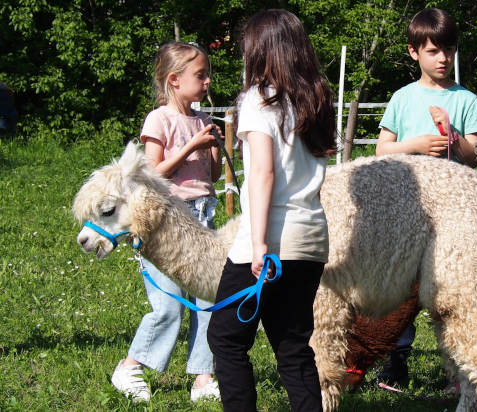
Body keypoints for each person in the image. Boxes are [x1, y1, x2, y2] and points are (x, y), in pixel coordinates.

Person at [207, 9, 336, 412]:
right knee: (293, 344)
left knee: (226, 340)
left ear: (260, 52)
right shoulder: (312, 101)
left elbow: (262, 174)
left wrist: (259, 244)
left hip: (269, 240)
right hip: (312, 237)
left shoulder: (257, 101)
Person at [375, 7, 477, 390]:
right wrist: (416, 144)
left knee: (453, 290)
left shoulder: (466, 100)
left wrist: (455, 138)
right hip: (408, 207)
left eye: (448, 50)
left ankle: (459, 372)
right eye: (433, 51)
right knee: (401, 289)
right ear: (413, 52)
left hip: (455, 213)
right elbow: (381, 150)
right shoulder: (403, 98)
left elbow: (476, 154)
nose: (443, 59)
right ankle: (396, 362)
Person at [111, 41, 223, 402]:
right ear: (174, 80)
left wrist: (214, 149)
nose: (207, 82)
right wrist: (191, 146)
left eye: (208, 75)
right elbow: (152, 172)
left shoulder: (203, 120)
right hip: (166, 221)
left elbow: (214, 174)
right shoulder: (158, 119)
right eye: (200, 75)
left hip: (202, 215)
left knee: (208, 299)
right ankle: (131, 366)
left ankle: (203, 377)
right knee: (169, 301)